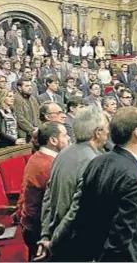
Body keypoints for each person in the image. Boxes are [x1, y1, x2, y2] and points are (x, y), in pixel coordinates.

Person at [70, 107, 137, 262]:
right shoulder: (136, 176)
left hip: (96, 251)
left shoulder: (97, 162)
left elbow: (84, 215)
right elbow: (121, 235)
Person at [36, 107, 108, 261]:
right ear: (97, 132)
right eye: (106, 129)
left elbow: (47, 199)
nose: (108, 133)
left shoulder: (63, 153)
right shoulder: (94, 161)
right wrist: (53, 242)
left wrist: (45, 235)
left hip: (57, 237)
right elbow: (76, 209)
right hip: (76, 242)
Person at [18, 122, 69, 261]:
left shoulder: (40, 157)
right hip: (37, 229)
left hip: (32, 225)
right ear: (53, 140)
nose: (68, 138)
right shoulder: (48, 164)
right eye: (64, 135)